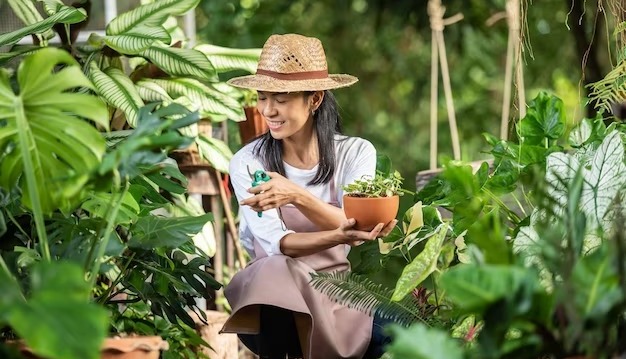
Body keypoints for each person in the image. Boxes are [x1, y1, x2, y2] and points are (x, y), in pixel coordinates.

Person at [220, 33, 397, 359]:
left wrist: (296, 196)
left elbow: (355, 225)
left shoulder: (355, 153)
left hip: (335, 291)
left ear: (314, 100)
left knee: (405, 332)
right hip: (270, 302)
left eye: (281, 99)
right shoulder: (249, 162)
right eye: (262, 97)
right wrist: (341, 230)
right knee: (275, 269)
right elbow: (279, 244)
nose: (267, 110)